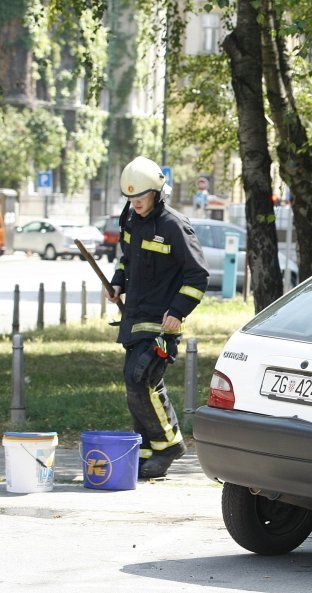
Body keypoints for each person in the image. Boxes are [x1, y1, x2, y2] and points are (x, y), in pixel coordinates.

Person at [105, 156, 209, 479]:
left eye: (141, 198)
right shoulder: (131, 223)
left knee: (142, 380)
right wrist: (118, 282)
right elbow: (126, 260)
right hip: (134, 319)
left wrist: (177, 312)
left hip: (161, 324)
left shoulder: (174, 226)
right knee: (135, 384)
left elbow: (198, 276)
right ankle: (148, 451)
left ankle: (169, 444)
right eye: (131, 199)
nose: (135, 204)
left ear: (157, 193)